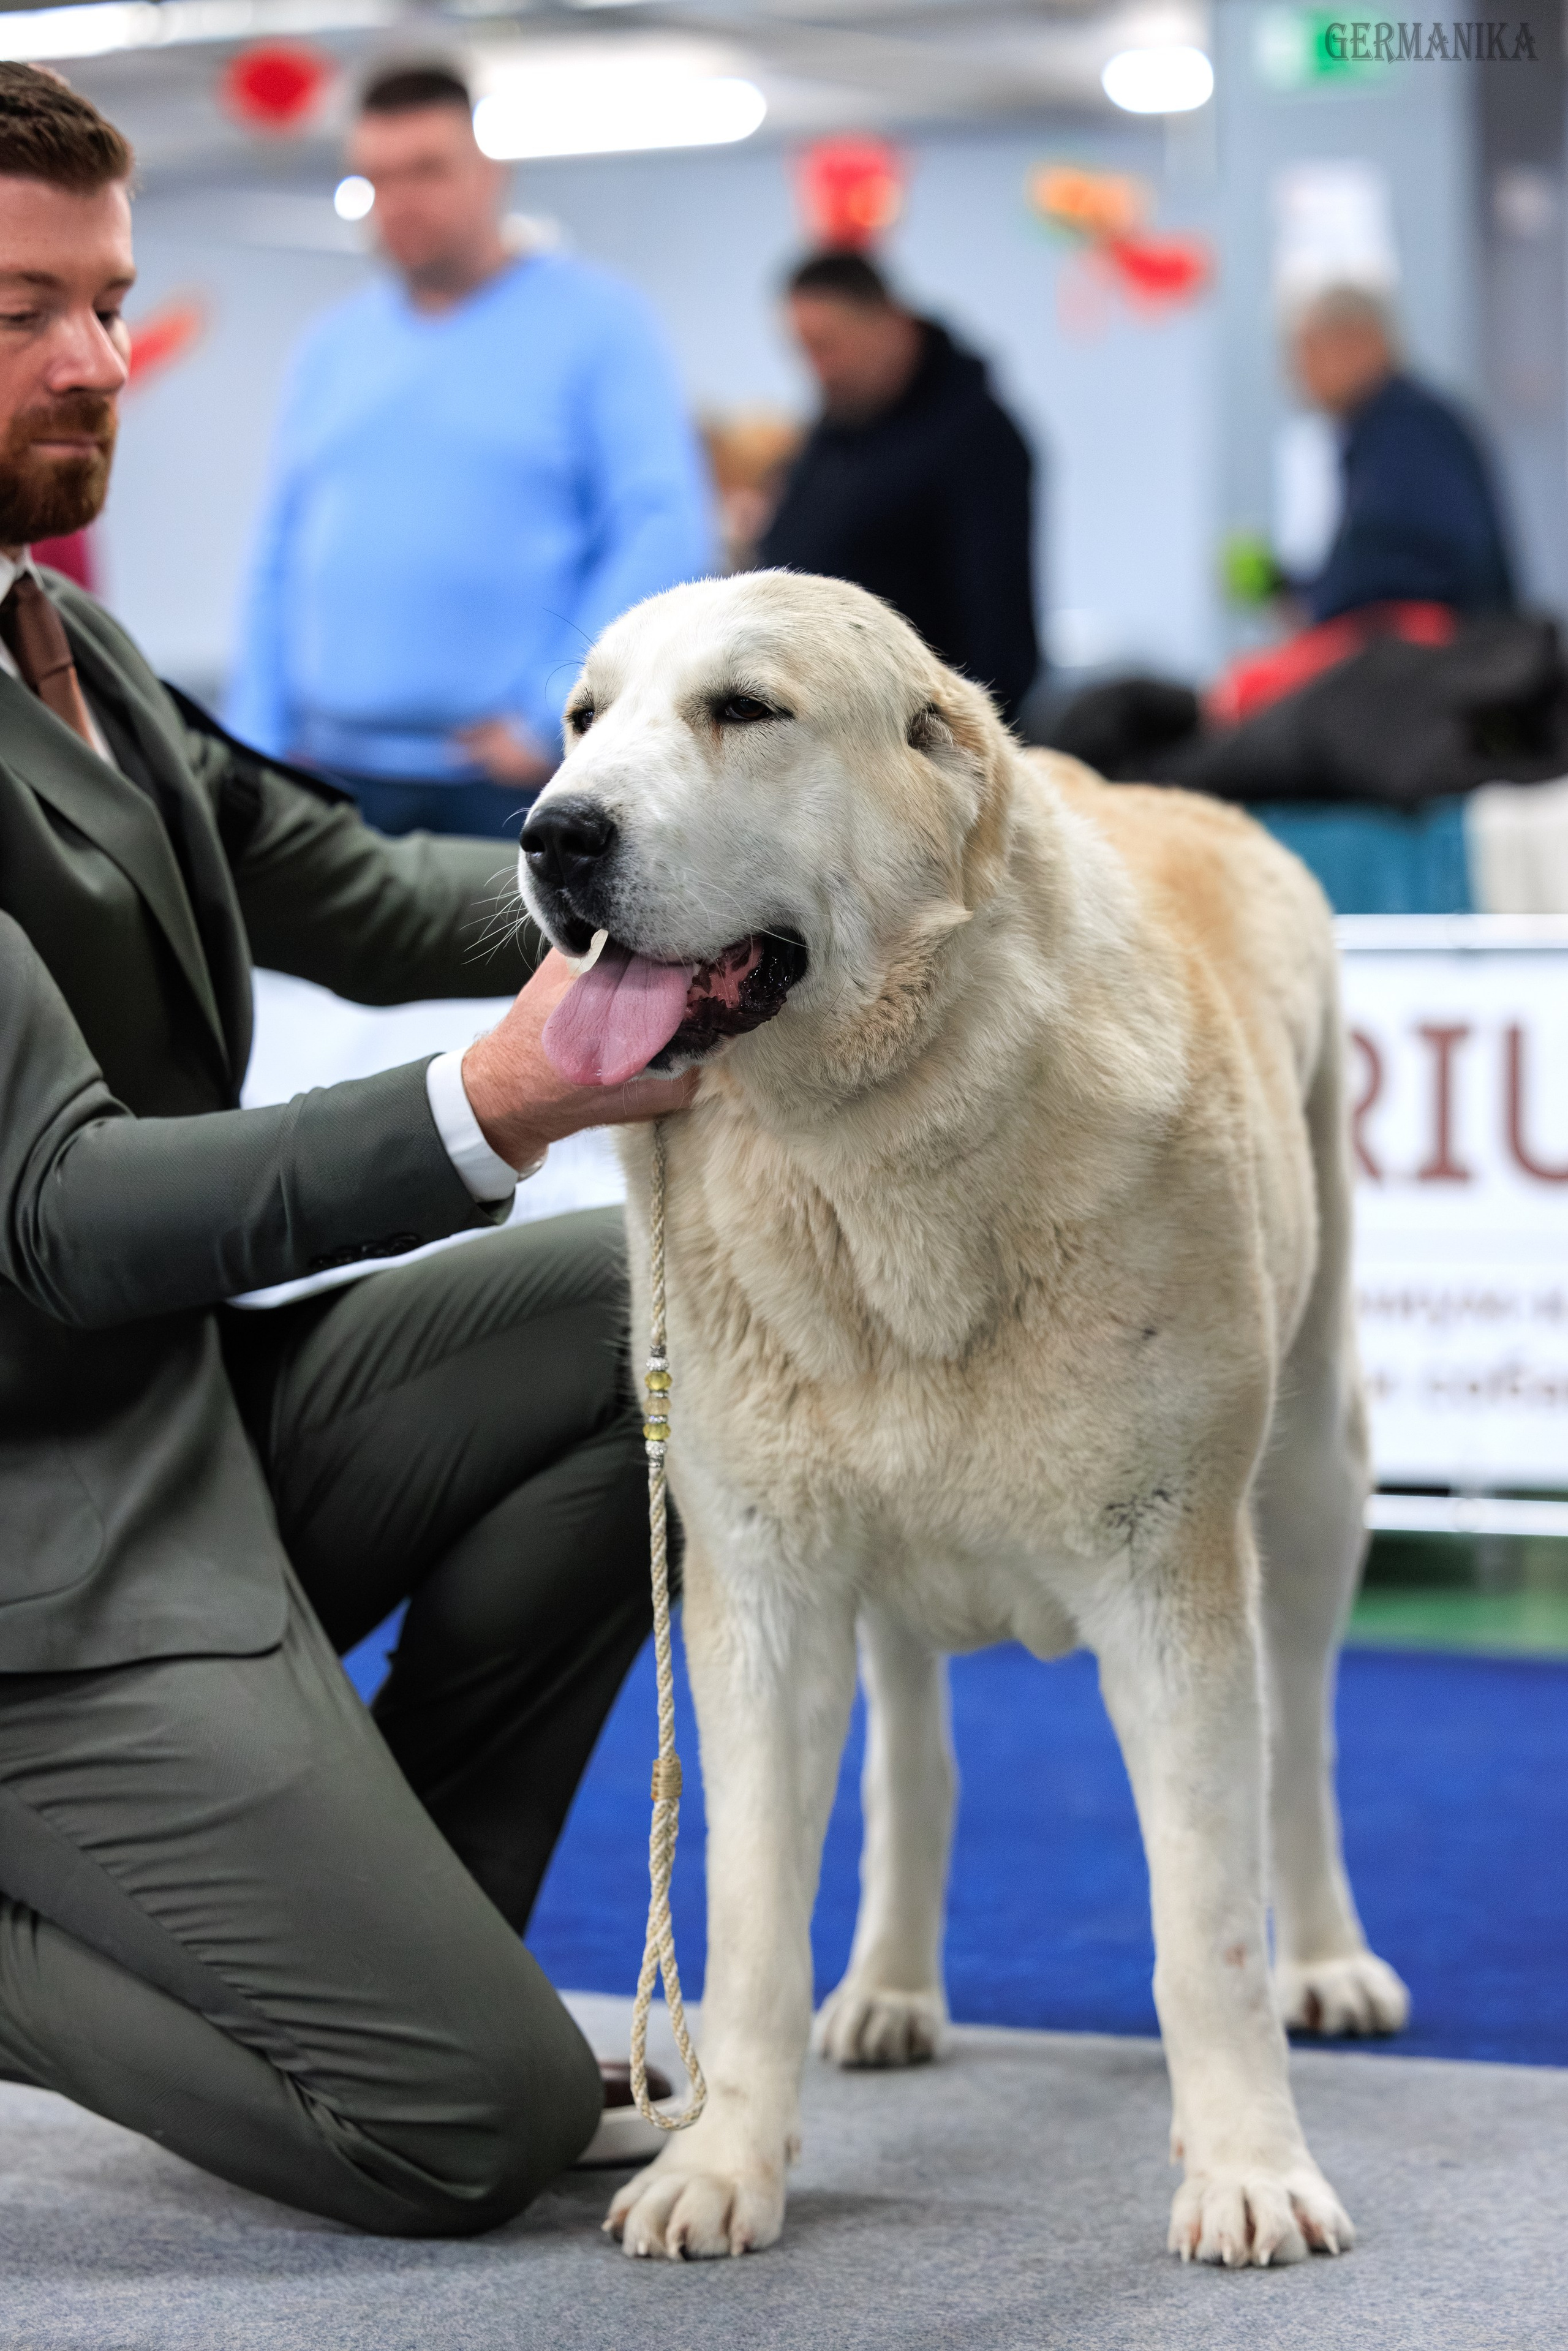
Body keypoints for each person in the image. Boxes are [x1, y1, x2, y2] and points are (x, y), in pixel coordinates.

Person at [0, 63, 696, 2235]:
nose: (100, 365)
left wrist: (694, 874)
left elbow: (364, 888)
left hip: (178, 1438)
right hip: (40, 1563)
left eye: (110, 303)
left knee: (645, 1318)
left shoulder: (62, 631)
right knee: (462, 2126)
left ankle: (410, 1934)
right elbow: (64, 1209)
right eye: (26, 308)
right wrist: (493, 1104)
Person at [227, 61, 711, 839]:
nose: (400, 201)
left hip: (505, 779)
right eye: (377, 178)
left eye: (427, 170)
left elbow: (661, 530)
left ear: (492, 174)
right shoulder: (332, 347)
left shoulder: (599, 323)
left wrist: (546, 711)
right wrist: (250, 735)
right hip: (328, 771)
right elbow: (281, 550)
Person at [759, 249, 1040, 724]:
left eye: (828, 345)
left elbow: (999, 628)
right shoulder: (840, 424)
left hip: (909, 739)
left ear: (890, 324)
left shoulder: (975, 437)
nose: (817, 368)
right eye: (803, 350)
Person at [1288, 282, 1517, 623]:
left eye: (1310, 350)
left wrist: (1320, 601)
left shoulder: (1408, 429)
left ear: (1360, 343)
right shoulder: (1380, 428)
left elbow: (1403, 565)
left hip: (1445, 656)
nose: (1298, 372)